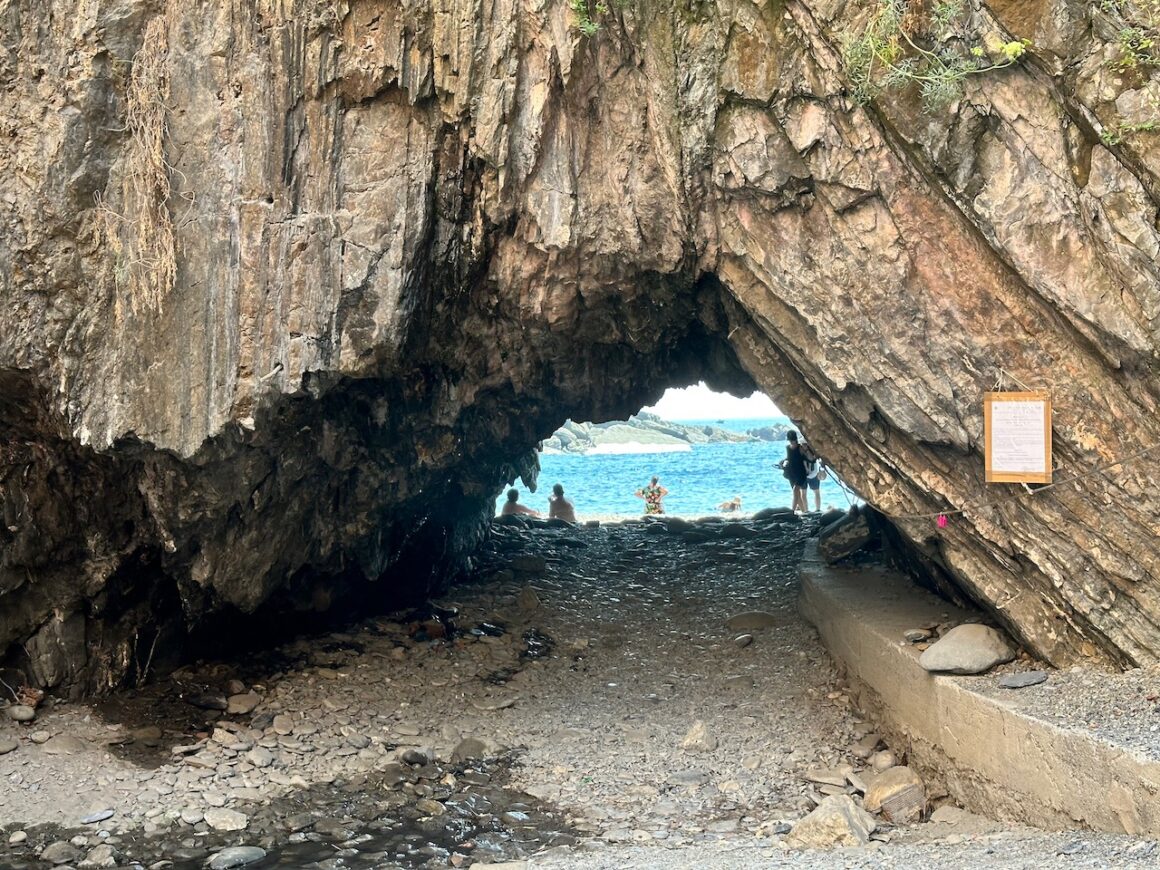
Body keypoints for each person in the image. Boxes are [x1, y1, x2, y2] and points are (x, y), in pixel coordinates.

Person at [782, 431, 809, 513]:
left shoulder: (800, 448)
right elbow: (789, 458)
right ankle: (804, 511)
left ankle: (792, 511)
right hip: (792, 473)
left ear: (795, 439)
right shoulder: (787, 448)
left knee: (795, 490)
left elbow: (808, 457)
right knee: (797, 494)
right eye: (790, 440)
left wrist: (807, 450)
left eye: (792, 440)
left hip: (800, 473)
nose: (792, 441)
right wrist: (783, 462)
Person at [802, 439, 823, 512]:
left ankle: (812, 509)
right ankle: (809, 509)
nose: (803, 446)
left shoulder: (803, 452)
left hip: (810, 474)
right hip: (809, 474)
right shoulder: (813, 451)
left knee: (812, 492)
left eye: (804, 444)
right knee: (813, 492)